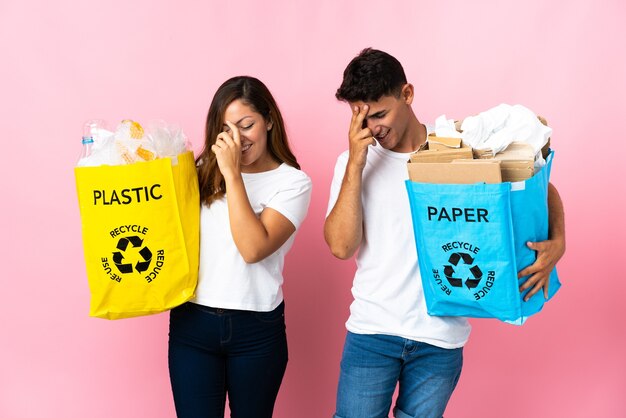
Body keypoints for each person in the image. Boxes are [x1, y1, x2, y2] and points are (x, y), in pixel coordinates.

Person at [324, 48, 565, 418]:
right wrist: (357, 161)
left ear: (407, 94)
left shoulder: (457, 148)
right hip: (372, 333)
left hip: (440, 341)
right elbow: (341, 246)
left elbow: (539, 184)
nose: (374, 128)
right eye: (362, 118)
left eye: (381, 114)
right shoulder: (352, 163)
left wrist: (558, 241)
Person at [168, 76, 312, 418]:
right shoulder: (200, 172)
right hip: (193, 325)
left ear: (269, 121)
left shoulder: (292, 182)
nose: (237, 139)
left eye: (247, 125)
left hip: (257, 332)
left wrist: (232, 175)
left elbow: (253, 249)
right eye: (226, 129)